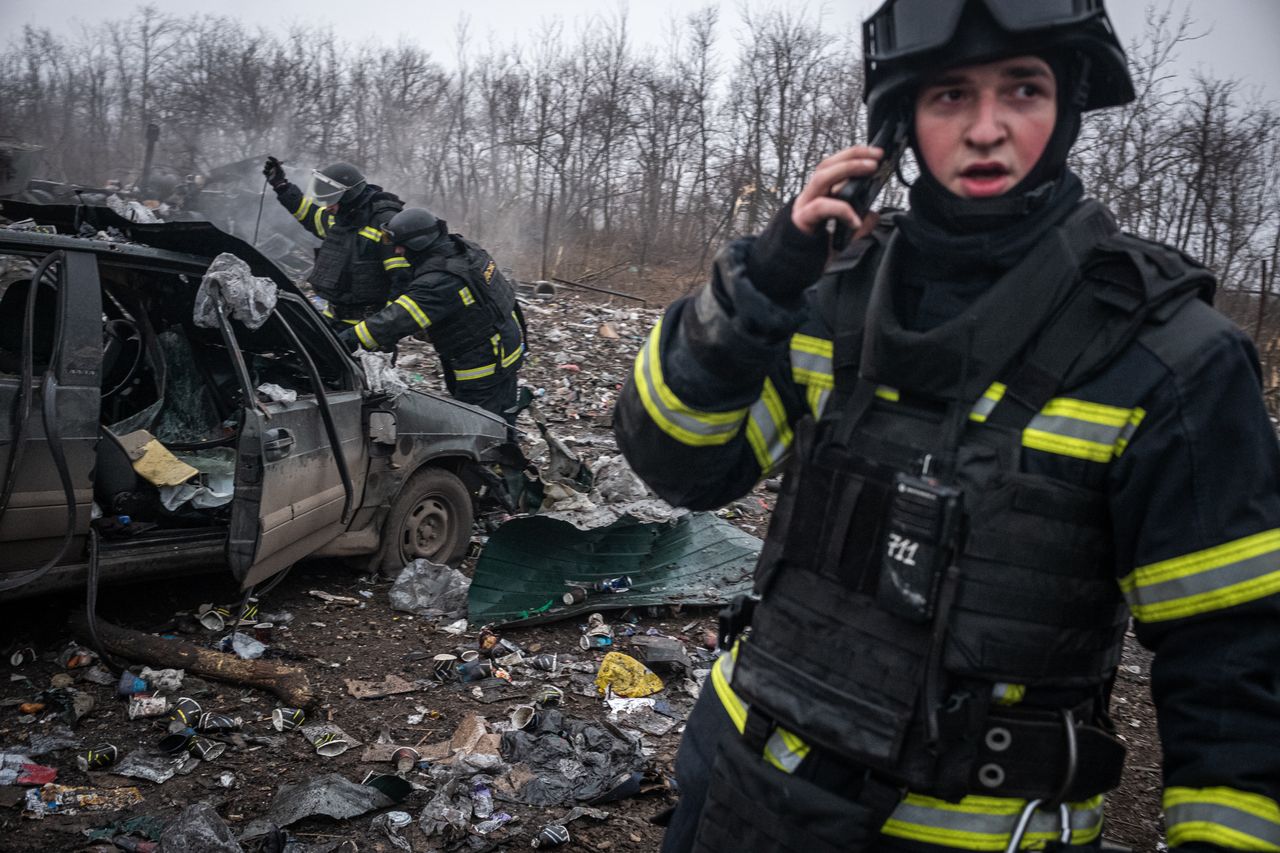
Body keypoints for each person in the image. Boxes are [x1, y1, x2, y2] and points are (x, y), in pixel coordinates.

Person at [614, 1, 1280, 851]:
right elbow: (680, 463)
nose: (987, 129)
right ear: (901, 125)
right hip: (741, 792)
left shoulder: (1171, 359)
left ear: (1068, 104)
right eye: (950, 95)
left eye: (1023, 90)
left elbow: (1236, 674)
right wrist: (760, 290)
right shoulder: (833, 296)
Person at [337, 207, 526, 422]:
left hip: (484, 364)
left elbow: (393, 322)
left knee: (481, 426)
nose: (397, 251)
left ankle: (497, 454)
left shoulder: (440, 281)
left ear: (419, 244)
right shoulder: (464, 249)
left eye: (401, 245)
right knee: (501, 416)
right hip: (504, 346)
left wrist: (344, 341)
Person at [262, 157, 411, 331]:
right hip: (332, 320)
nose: (326, 207)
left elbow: (402, 280)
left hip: (366, 327)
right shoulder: (342, 218)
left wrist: (385, 330)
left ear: (348, 195)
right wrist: (281, 186)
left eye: (331, 199)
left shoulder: (384, 222)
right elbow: (308, 214)